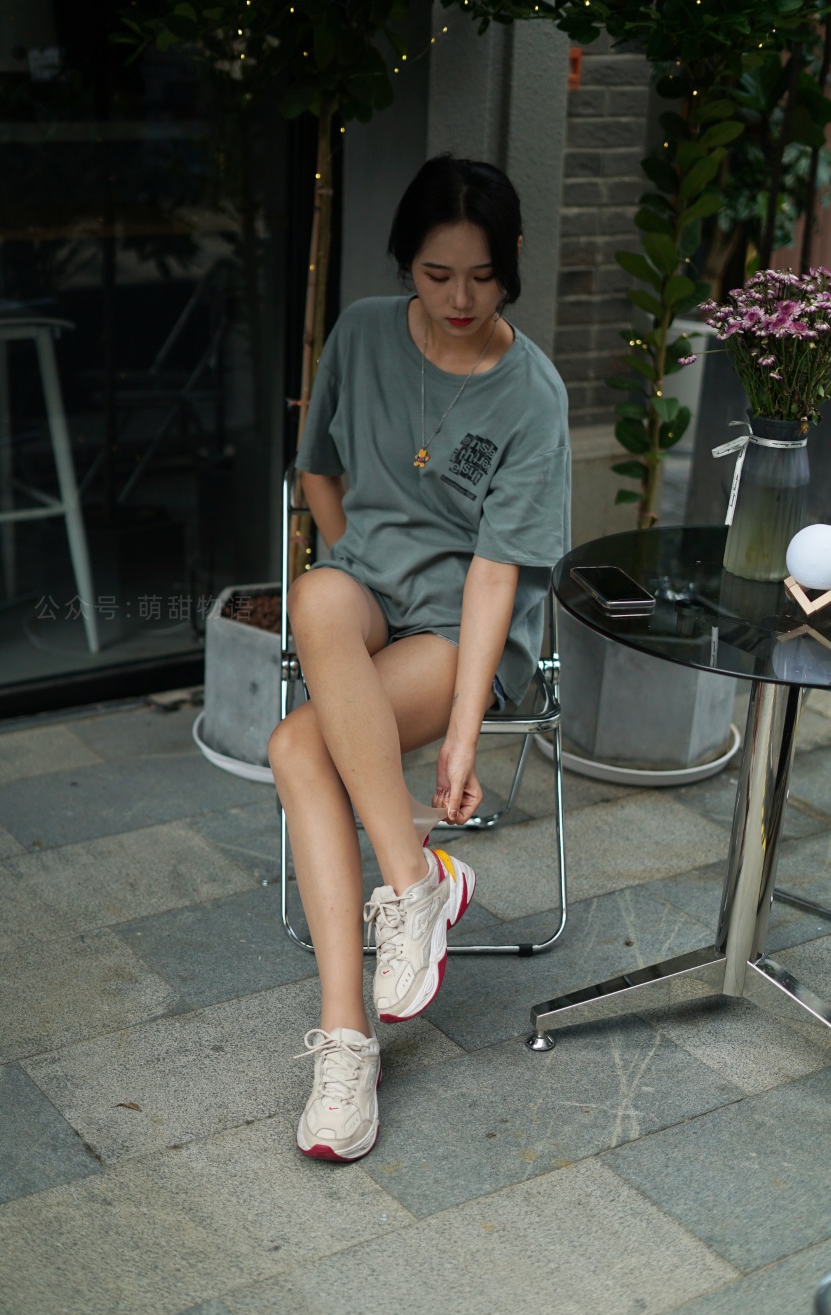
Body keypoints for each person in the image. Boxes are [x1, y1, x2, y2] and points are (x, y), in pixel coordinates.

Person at [268, 153, 570, 1163]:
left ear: (510, 261)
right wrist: (360, 560)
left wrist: (465, 734)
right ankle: (415, 880)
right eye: (437, 275)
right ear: (407, 262)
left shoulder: (532, 395)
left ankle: (347, 1042)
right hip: (369, 598)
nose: (459, 298)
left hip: (461, 630)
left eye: (481, 276)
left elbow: (494, 576)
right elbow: (318, 474)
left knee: (297, 749)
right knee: (318, 592)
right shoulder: (360, 333)